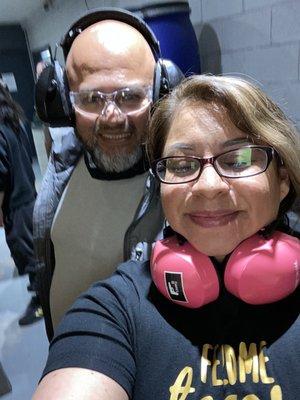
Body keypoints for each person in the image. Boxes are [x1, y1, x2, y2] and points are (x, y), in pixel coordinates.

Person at [33, 75, 300, 399]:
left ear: (282, 179)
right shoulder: (117, 306)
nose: (209, 186)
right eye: (182, 164)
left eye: (239, 159)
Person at [33, 8, 183, 340]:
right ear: (62, 102)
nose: (112, 117)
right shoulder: (61, 168)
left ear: (161, 93)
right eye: (91, 99)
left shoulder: (185, 186)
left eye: (130, 96)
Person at [0, 82, 43, 325]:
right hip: (29, 197)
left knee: (30, 259)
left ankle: (42, 306)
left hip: (16, 207)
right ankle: (39, 295)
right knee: (32, 255)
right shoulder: (14, 123)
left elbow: (0, 178)